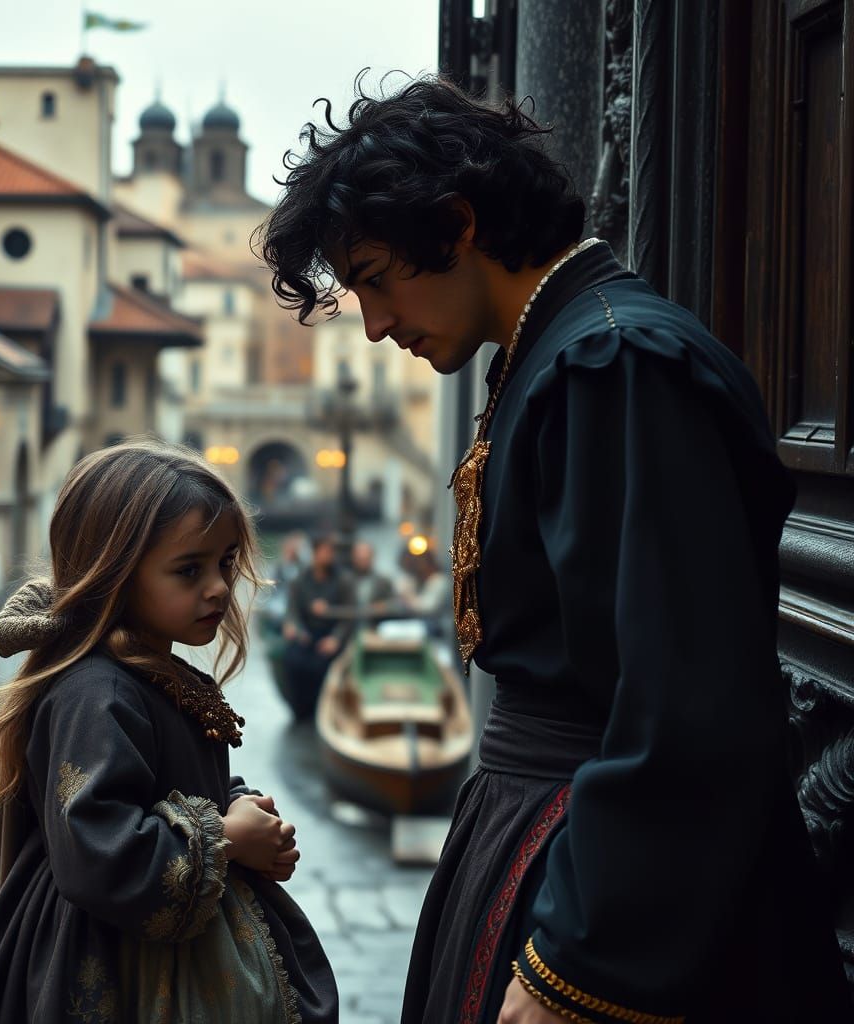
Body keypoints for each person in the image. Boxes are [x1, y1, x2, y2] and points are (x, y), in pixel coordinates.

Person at [259, 76, 849, 1023]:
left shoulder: (614, 368)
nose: (374, 324)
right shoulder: (558, 358)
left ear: (454, 226)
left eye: (374, 278)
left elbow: (681, 708)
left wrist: (580, 963)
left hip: (603, 878)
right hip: (540, 834)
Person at [0, 440, 338, 1023]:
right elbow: (96, 847)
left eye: (226, 562)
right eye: (189, 569)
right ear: (115, 573)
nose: (218, 586)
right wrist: (226, 839)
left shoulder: (147, 668)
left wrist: (238, 807)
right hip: (114, 967)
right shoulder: (95, 691)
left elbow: (165, 786)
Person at [280, 534, 354, 719]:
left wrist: (336, 638)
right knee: (292, 660)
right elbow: (293, 611)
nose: (329, 556)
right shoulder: (301, 580)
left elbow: (349, 616)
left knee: (323, 665)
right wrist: (295, 629)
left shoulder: (343, 580)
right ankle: (300, 709)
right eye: (325, 551)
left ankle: (321, 710)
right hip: (307, 633)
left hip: (331, 633)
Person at [349, 539, 395, 627]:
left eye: (366, 558)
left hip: (376, 628)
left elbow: (395, 603)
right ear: (354, 558)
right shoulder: (346, 581)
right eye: (360, 558)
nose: (363, 562)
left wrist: (384, 606)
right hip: (351, 629)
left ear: (372, 557)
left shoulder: (383, 581)